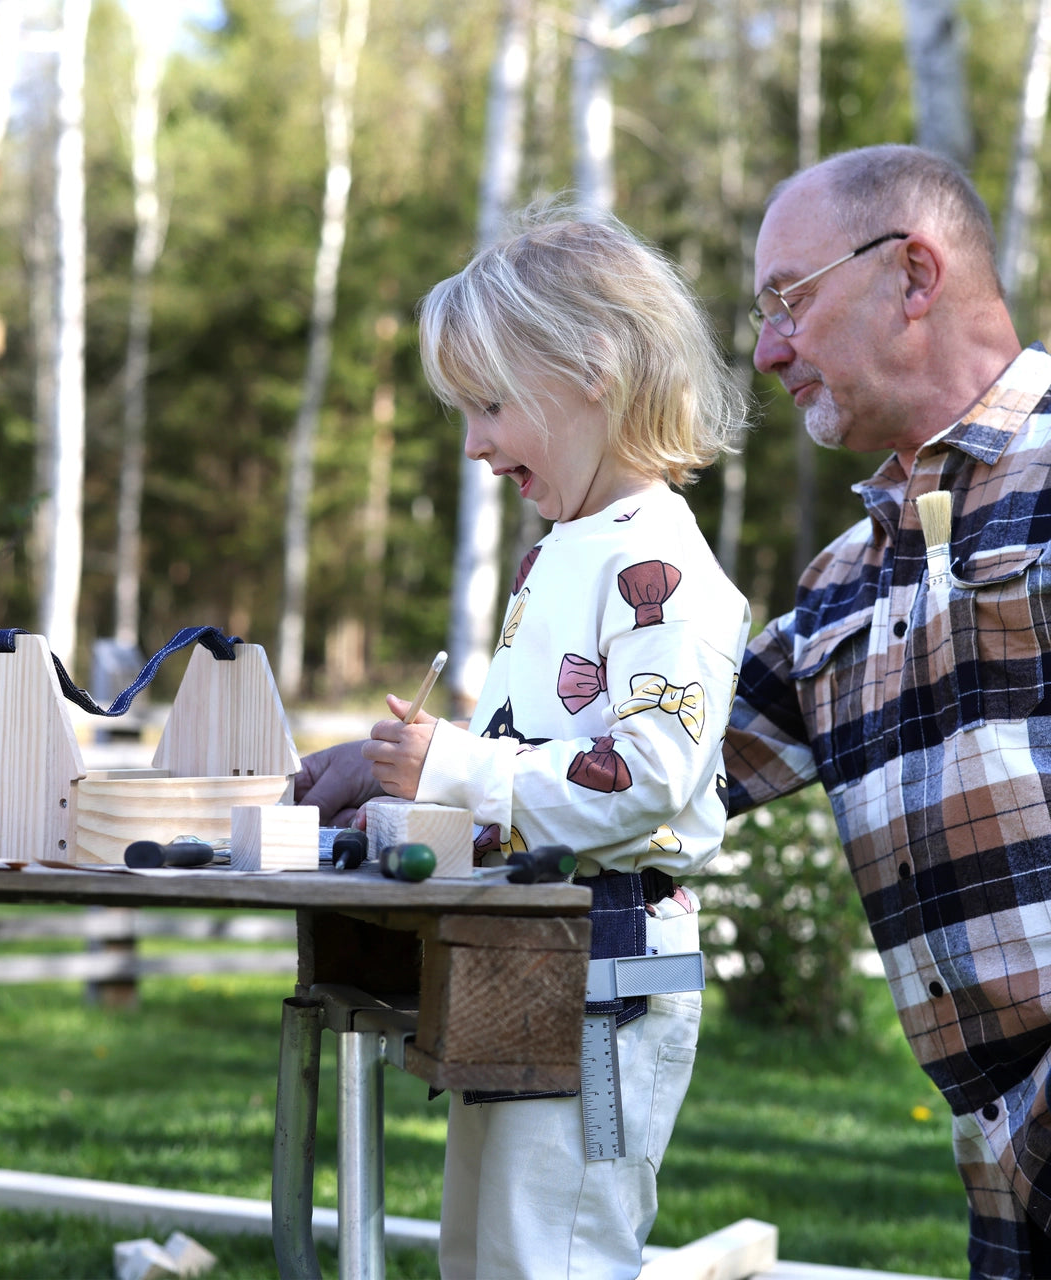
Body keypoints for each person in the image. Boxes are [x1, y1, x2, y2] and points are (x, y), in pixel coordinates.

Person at [340, 208, 752, 1279]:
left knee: (551, 1256)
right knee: (480, 1253)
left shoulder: (658, 569)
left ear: (592, 372)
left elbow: (647, 775)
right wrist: (385, 770)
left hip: (602, 980)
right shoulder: (570, 550)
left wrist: (456, 767)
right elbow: (525, 755)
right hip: (530, 962)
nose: (473, 444)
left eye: (487, 405)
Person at [724, 142, 1051, 1280]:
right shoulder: (835, 587)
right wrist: (419, 766)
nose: (768, 350)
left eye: (786, 300)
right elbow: (659, 767)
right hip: (1004, 1174)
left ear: (912, 276)